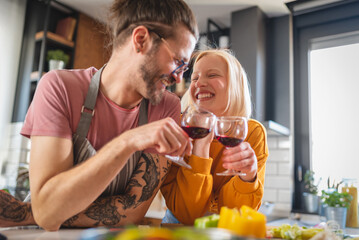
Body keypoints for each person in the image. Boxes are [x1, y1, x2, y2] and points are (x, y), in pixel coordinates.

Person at [0, 0, 198, 231]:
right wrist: (129, 141)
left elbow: (131, 212)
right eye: (178, 62)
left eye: (185, 69)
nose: (178, 79)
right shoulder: (59, 87)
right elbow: (47, 211)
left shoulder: (166, 108)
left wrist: (33, 212)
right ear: (141, 39)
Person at [161, 49, 269, 225]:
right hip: (177, 231)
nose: (199, 83)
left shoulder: (252, 133)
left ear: (235, 85)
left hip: (225, 231)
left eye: (212, 75)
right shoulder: (176, 127)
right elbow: (186, 215)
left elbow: (238, 214)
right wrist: (201, 148)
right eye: (194, 78)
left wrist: (247, 178)